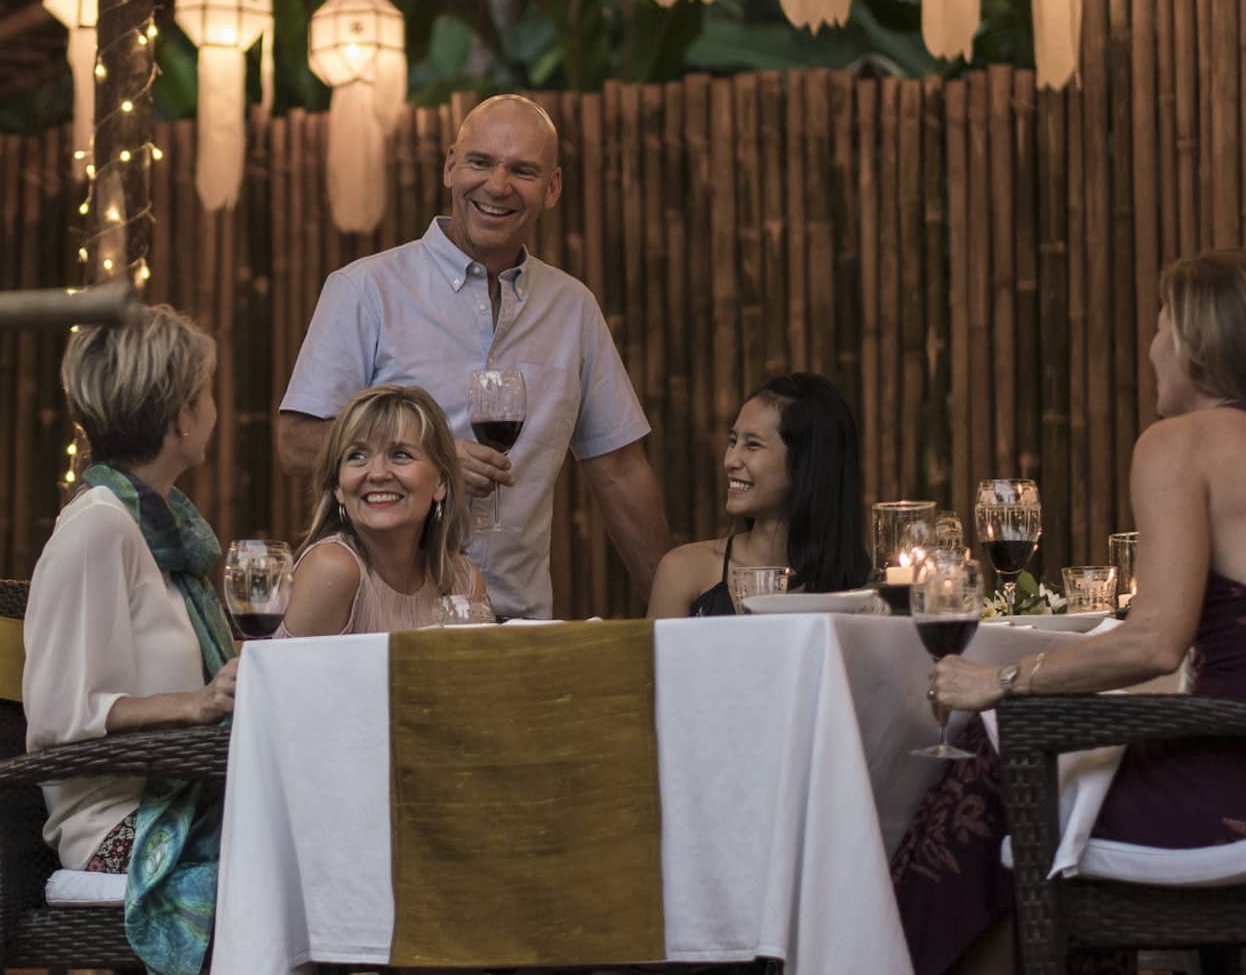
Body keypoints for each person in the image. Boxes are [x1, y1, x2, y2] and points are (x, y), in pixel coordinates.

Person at [891, 249, 1246, 975]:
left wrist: (1002, 683)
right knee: (1022, 788)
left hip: (1240, 794)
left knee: (984, 768)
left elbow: (1155, 642)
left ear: (1197, 342)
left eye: (1160, 327)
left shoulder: (1180, 445)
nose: (1151, 349)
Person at [276, 94, 670, 620]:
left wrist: (681, 621)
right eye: (481, 162)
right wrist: (430, 455)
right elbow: (297, 443)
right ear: (450, 166)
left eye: (523, 170)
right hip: (389, 621)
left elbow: (620, 470)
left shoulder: (572, 308)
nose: (498, 185)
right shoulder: (365, 290)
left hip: (519, 618)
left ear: (551, 188)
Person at [23, 305, 239, 975]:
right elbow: (59, 717)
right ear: (179, 417)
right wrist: (197, 705)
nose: (213, 409)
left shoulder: (162, 533)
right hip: (120, 825)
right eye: (206, 395)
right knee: (309, 860)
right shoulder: (98, 528)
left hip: (184, 793)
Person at [647, 372, 872, 617]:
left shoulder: (860, 588)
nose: (730, 460)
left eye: (752, 445)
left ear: (806, 463)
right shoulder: (684, 572)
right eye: (733, 441)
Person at [277, 384, 486, 635]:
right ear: (337, 488)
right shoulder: (332, 568)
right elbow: (289, 675)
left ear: (440, 482)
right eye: (357, 456)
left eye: (400, 455)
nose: (377, 473)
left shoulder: (464, 580)